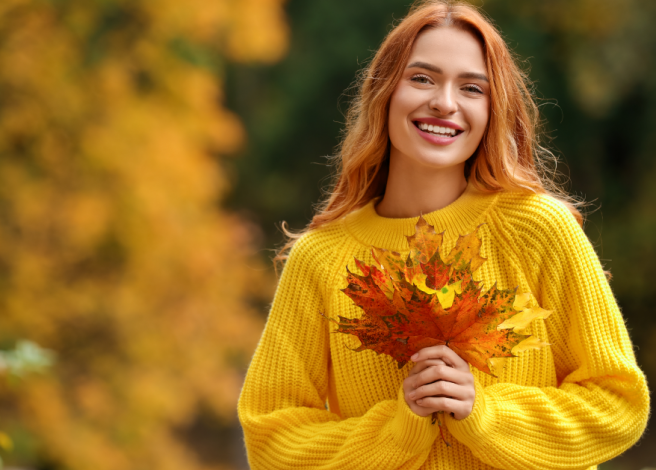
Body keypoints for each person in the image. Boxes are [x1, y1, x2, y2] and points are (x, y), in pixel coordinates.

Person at [237, 1, 650, 468]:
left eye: (472, 87)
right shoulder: (322, 257)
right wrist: (399, 427)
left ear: (493, 110)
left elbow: (618, 403)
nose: (445, 102)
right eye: (422, 78)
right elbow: (272, 437)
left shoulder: (537, 229)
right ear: (385, 93)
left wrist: (485, 414)